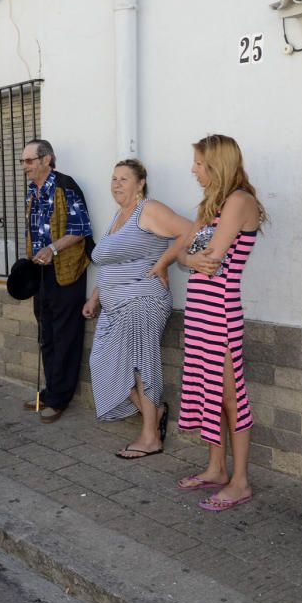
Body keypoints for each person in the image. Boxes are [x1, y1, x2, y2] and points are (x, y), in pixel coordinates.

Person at [175, 134, 266, 512]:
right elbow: (185, 254)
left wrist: (190, 257)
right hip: (199, 309)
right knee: (209, 389)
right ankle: (215, 468)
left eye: (198, 162)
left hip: (221, 311)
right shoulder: (209, 205)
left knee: (231, 395)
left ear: (216, 163)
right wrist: (190, 257)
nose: (193, 169)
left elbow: (207, 254)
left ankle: (240, 481)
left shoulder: (240, 202)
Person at [82, 160, 192, 458]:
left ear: (140, 183)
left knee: (141, 366)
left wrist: (163, 262)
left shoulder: (149, 210)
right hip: (114, 305)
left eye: (124, 179)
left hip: (143, 301)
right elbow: (112, 264)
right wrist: (95, 297)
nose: (116, 184)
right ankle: (154, 414)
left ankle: (150, 437)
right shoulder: (119, 216)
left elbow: (190, 230)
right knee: (103, 363)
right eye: (113, 178)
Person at [20, 139, 93, 423]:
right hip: (41, 272)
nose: (24, 166)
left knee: (65, 335)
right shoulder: (32, 191)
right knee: (46, 333)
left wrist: (53, 249)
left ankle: (60, 398)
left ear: (46, 159)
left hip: (65, 270)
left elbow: (80, 229)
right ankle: (50, 392)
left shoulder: (65, 186)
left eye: (29, 161)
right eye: (23, 161)